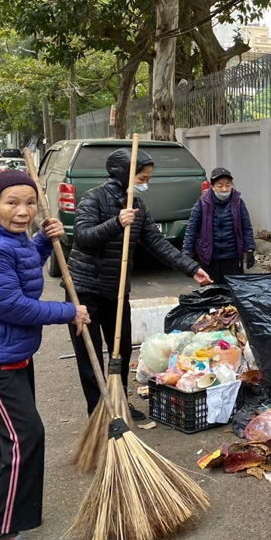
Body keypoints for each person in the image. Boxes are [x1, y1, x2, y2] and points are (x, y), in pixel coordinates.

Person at [0, 170, 90, 540]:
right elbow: (13, 307)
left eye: (30, 202)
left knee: (7, 434)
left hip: (10, 355)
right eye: (11, 202)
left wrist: (45, 241)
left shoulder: (11, 239)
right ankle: (3, 532)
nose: (22, 211)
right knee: (25, 436)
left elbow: (27, 263)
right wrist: (69, 311)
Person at [66, 148, 211, 419]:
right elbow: (82, 237)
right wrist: (116, 223)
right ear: (124, 175)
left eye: (148, 178)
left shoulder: (138, 206)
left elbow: (157, 244)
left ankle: (120, 404)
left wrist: (192, 269)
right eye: (142, 177)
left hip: (116, 292)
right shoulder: (94, 198)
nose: (146, 183)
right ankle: (98, 412)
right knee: (91, 356)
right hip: (84, 290)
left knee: (119, 351)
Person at [183, 167, 256, 284]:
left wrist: (250, 249)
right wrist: (187, 254)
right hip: (209, 258)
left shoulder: (238, 203)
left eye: (228, 185)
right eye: (220, 185)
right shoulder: (202, 204)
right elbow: (191, 230)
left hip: (232, 257)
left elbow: (246, 227)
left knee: (232, 292)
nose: (224, 189)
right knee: (210, 293)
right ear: (212, 186)